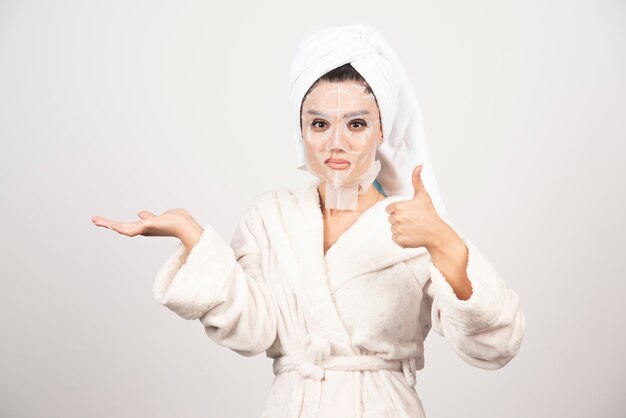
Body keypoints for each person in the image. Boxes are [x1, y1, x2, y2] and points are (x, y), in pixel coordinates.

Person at [92, 24, 525, 418]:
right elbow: (253, 332)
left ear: (382, 131)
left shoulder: (417, 223)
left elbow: (494, 347)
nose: (336, 143)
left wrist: (444, 244)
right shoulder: (270, 218)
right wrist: (192, 234)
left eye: (356, 124)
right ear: (301, 130)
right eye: (319, 123)